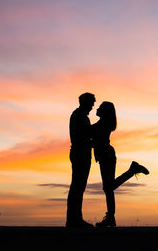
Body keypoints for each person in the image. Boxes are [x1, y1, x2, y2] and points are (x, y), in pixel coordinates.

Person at [92, 101, 149, 227]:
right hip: (106, 155)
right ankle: (110, 217)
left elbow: (92, 135)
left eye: (100, 107)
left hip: (106, 155)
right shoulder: (103, 123)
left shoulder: (101, 124)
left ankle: (132, 170)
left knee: (108, 188)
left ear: (105, 111)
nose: (97, 109)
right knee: (108, 188)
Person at [66, 92, 96, 228]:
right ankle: (74, 220)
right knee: (77, 187)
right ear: (85, 103)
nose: (92, 107)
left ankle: (75, 219)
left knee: (78, 187)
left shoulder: (80, 116)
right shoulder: (79, 116)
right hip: (80, 153)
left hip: (81, 153)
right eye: (91, 104)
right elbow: (81, 136)